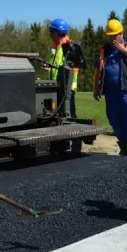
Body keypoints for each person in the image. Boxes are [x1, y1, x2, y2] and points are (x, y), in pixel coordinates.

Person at [92, 19, 127, 156]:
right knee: (113, 117)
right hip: (111, 90)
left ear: (121, 33)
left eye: (115, 35)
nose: (112, 38)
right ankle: (123, 144)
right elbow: (97, 70)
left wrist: (123, 50)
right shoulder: (104, 50)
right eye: (110, 35)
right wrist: (96, 88)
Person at [46, 18, 86, 152]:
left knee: (70, 117)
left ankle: (76, 148)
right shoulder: (54, 47)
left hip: (68, 89)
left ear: (58, 32)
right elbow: (57, 65)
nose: (50, 33)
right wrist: (48, 68)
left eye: (51, 31)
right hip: (54, 88)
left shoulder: (70, 47)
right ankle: (60, 146)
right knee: (55, 118)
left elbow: (71, 67)